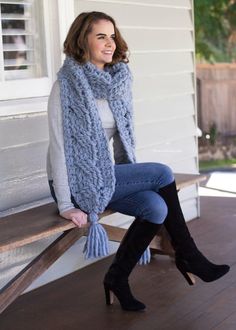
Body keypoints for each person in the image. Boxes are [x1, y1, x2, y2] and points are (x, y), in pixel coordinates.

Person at [47, 11, 230, 312]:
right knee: (161, 173)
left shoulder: (117, 83)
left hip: (102, 174)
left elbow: (121, 143)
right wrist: (66, 203)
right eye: (100, 36)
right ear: (83, 41)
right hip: (72, 181)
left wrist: (125, 174)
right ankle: (188, 254)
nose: (110, 43)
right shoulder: (66, 86)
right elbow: (58, 149)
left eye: (112, 36)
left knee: (155, 207)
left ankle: (117, 278)